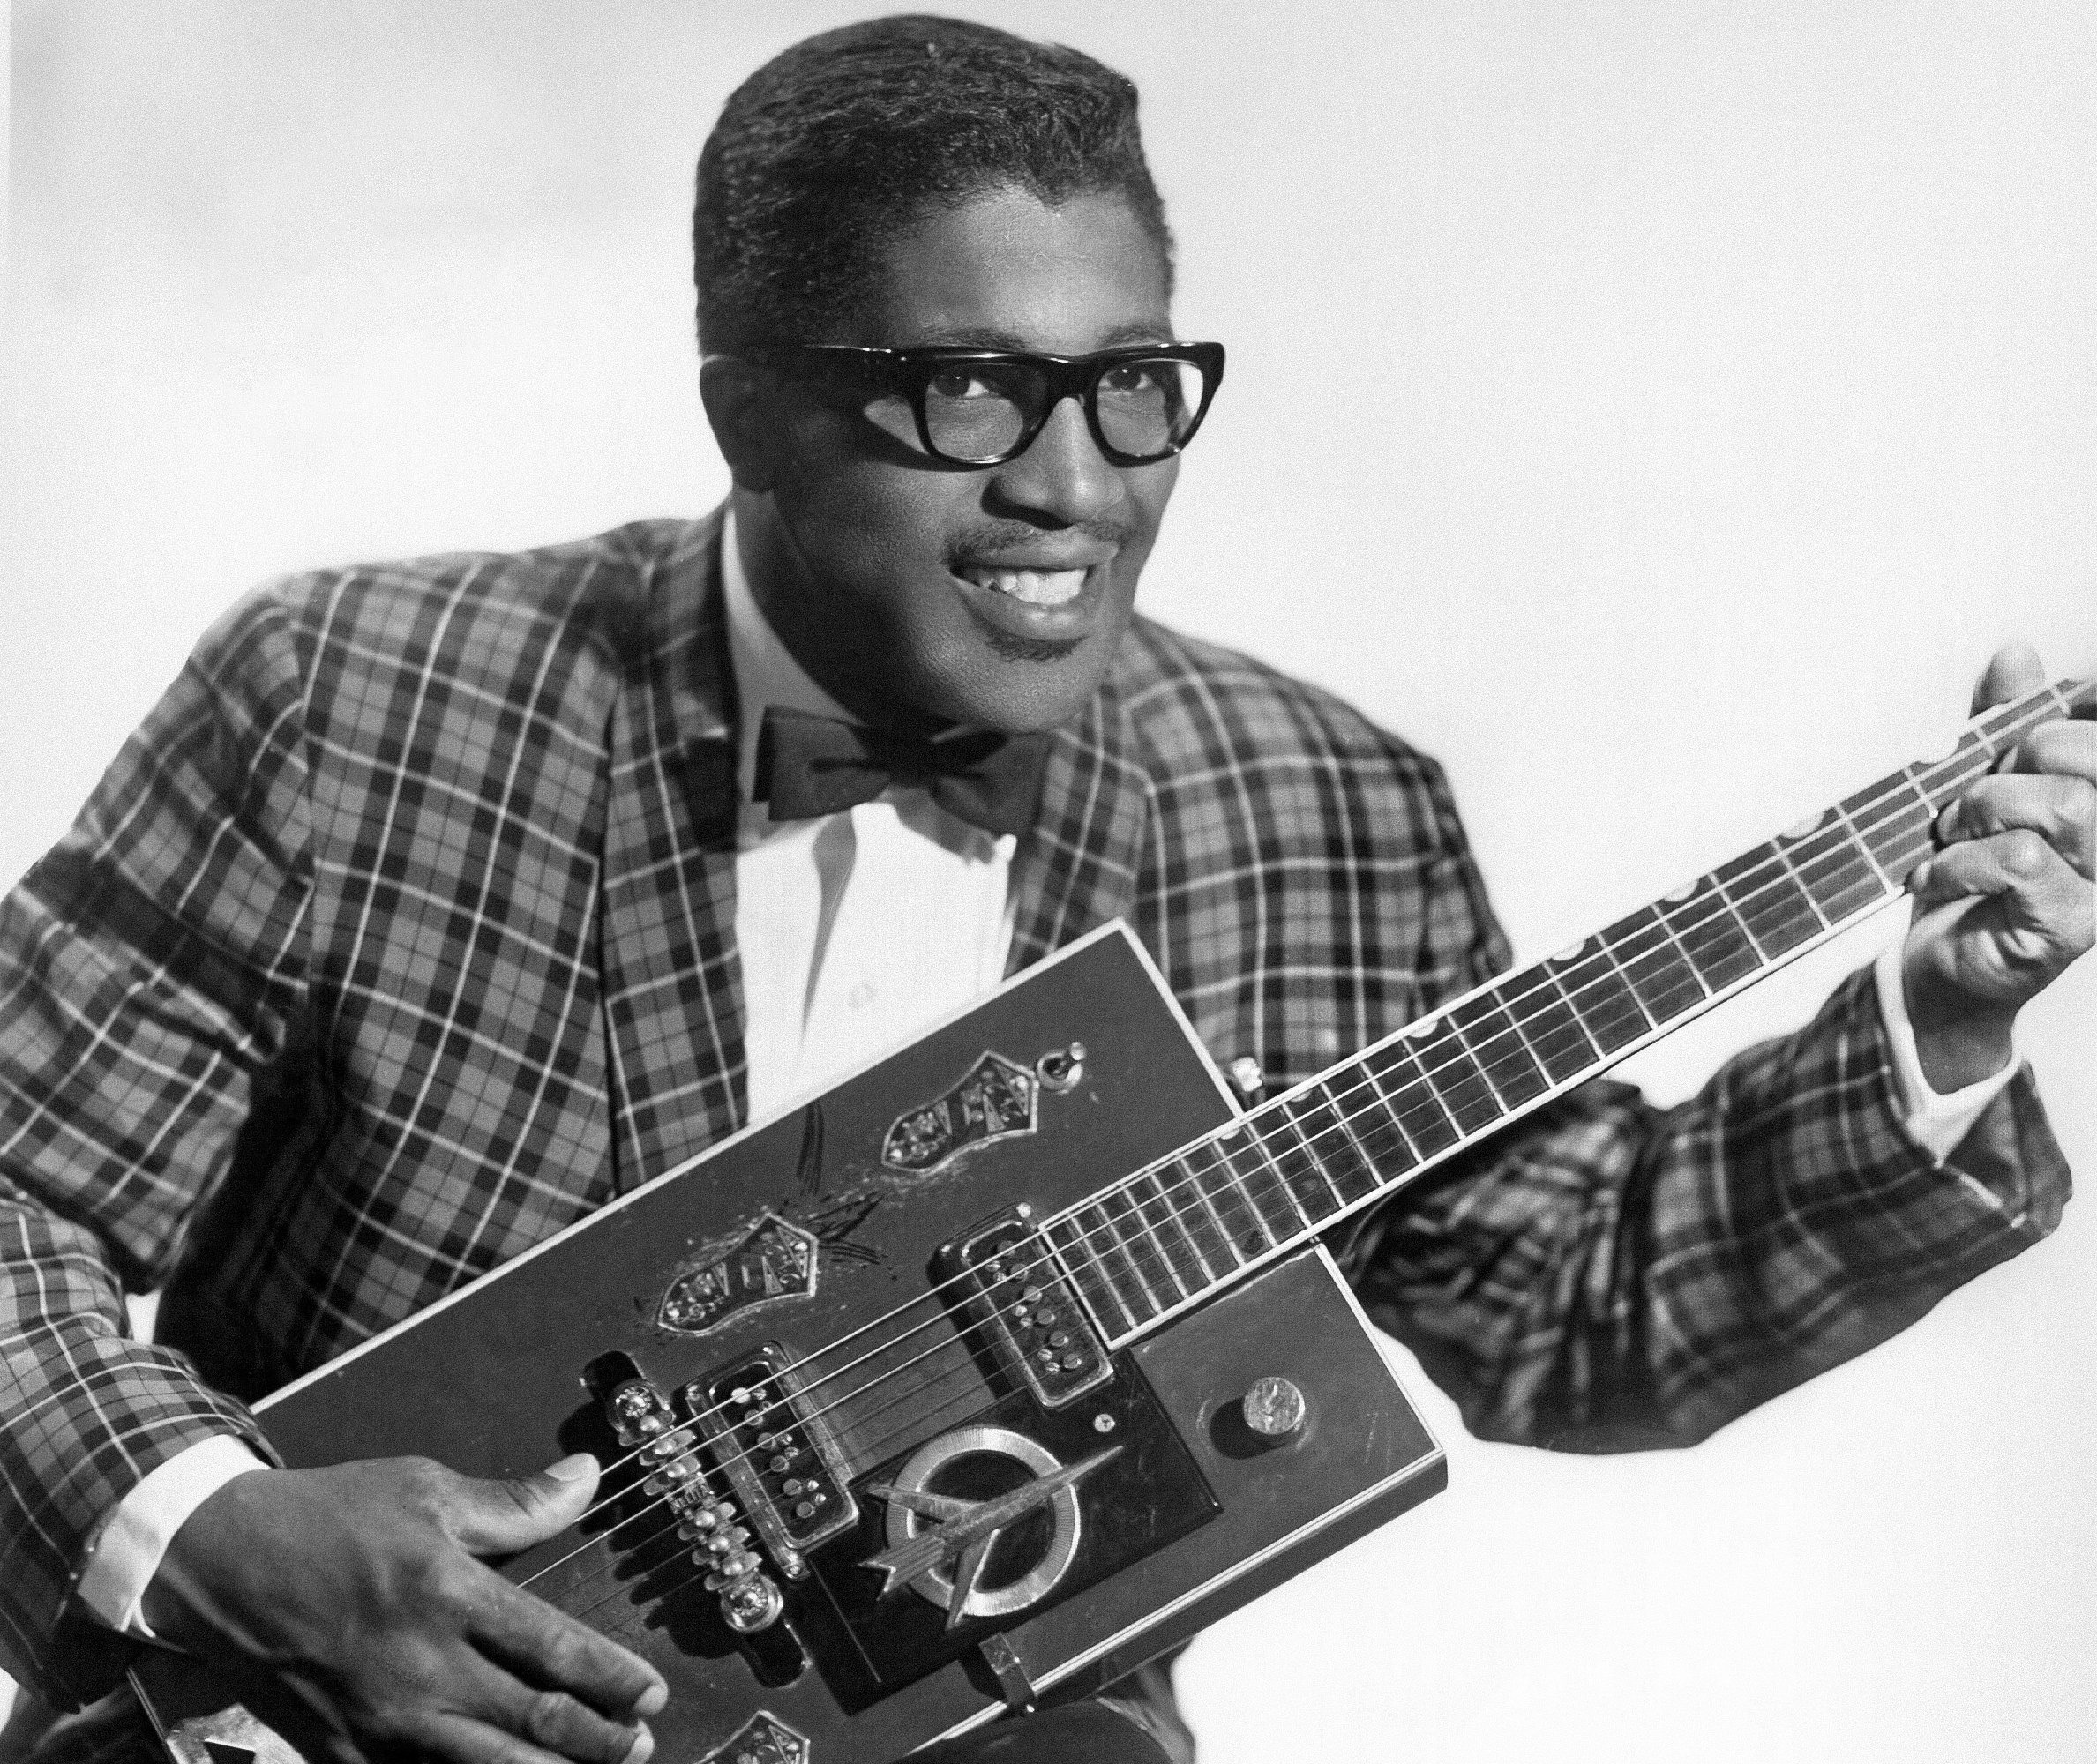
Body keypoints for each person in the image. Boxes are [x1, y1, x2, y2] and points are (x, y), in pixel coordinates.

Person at [1, 15, 2091, 1764]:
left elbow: (1574, 1310)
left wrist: (1948, 1008)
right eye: (971, 388)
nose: (1074, 489)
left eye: (1128, 384)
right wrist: (208, 1527)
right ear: (749, 409)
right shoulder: (361, 700)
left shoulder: (1311, 803)